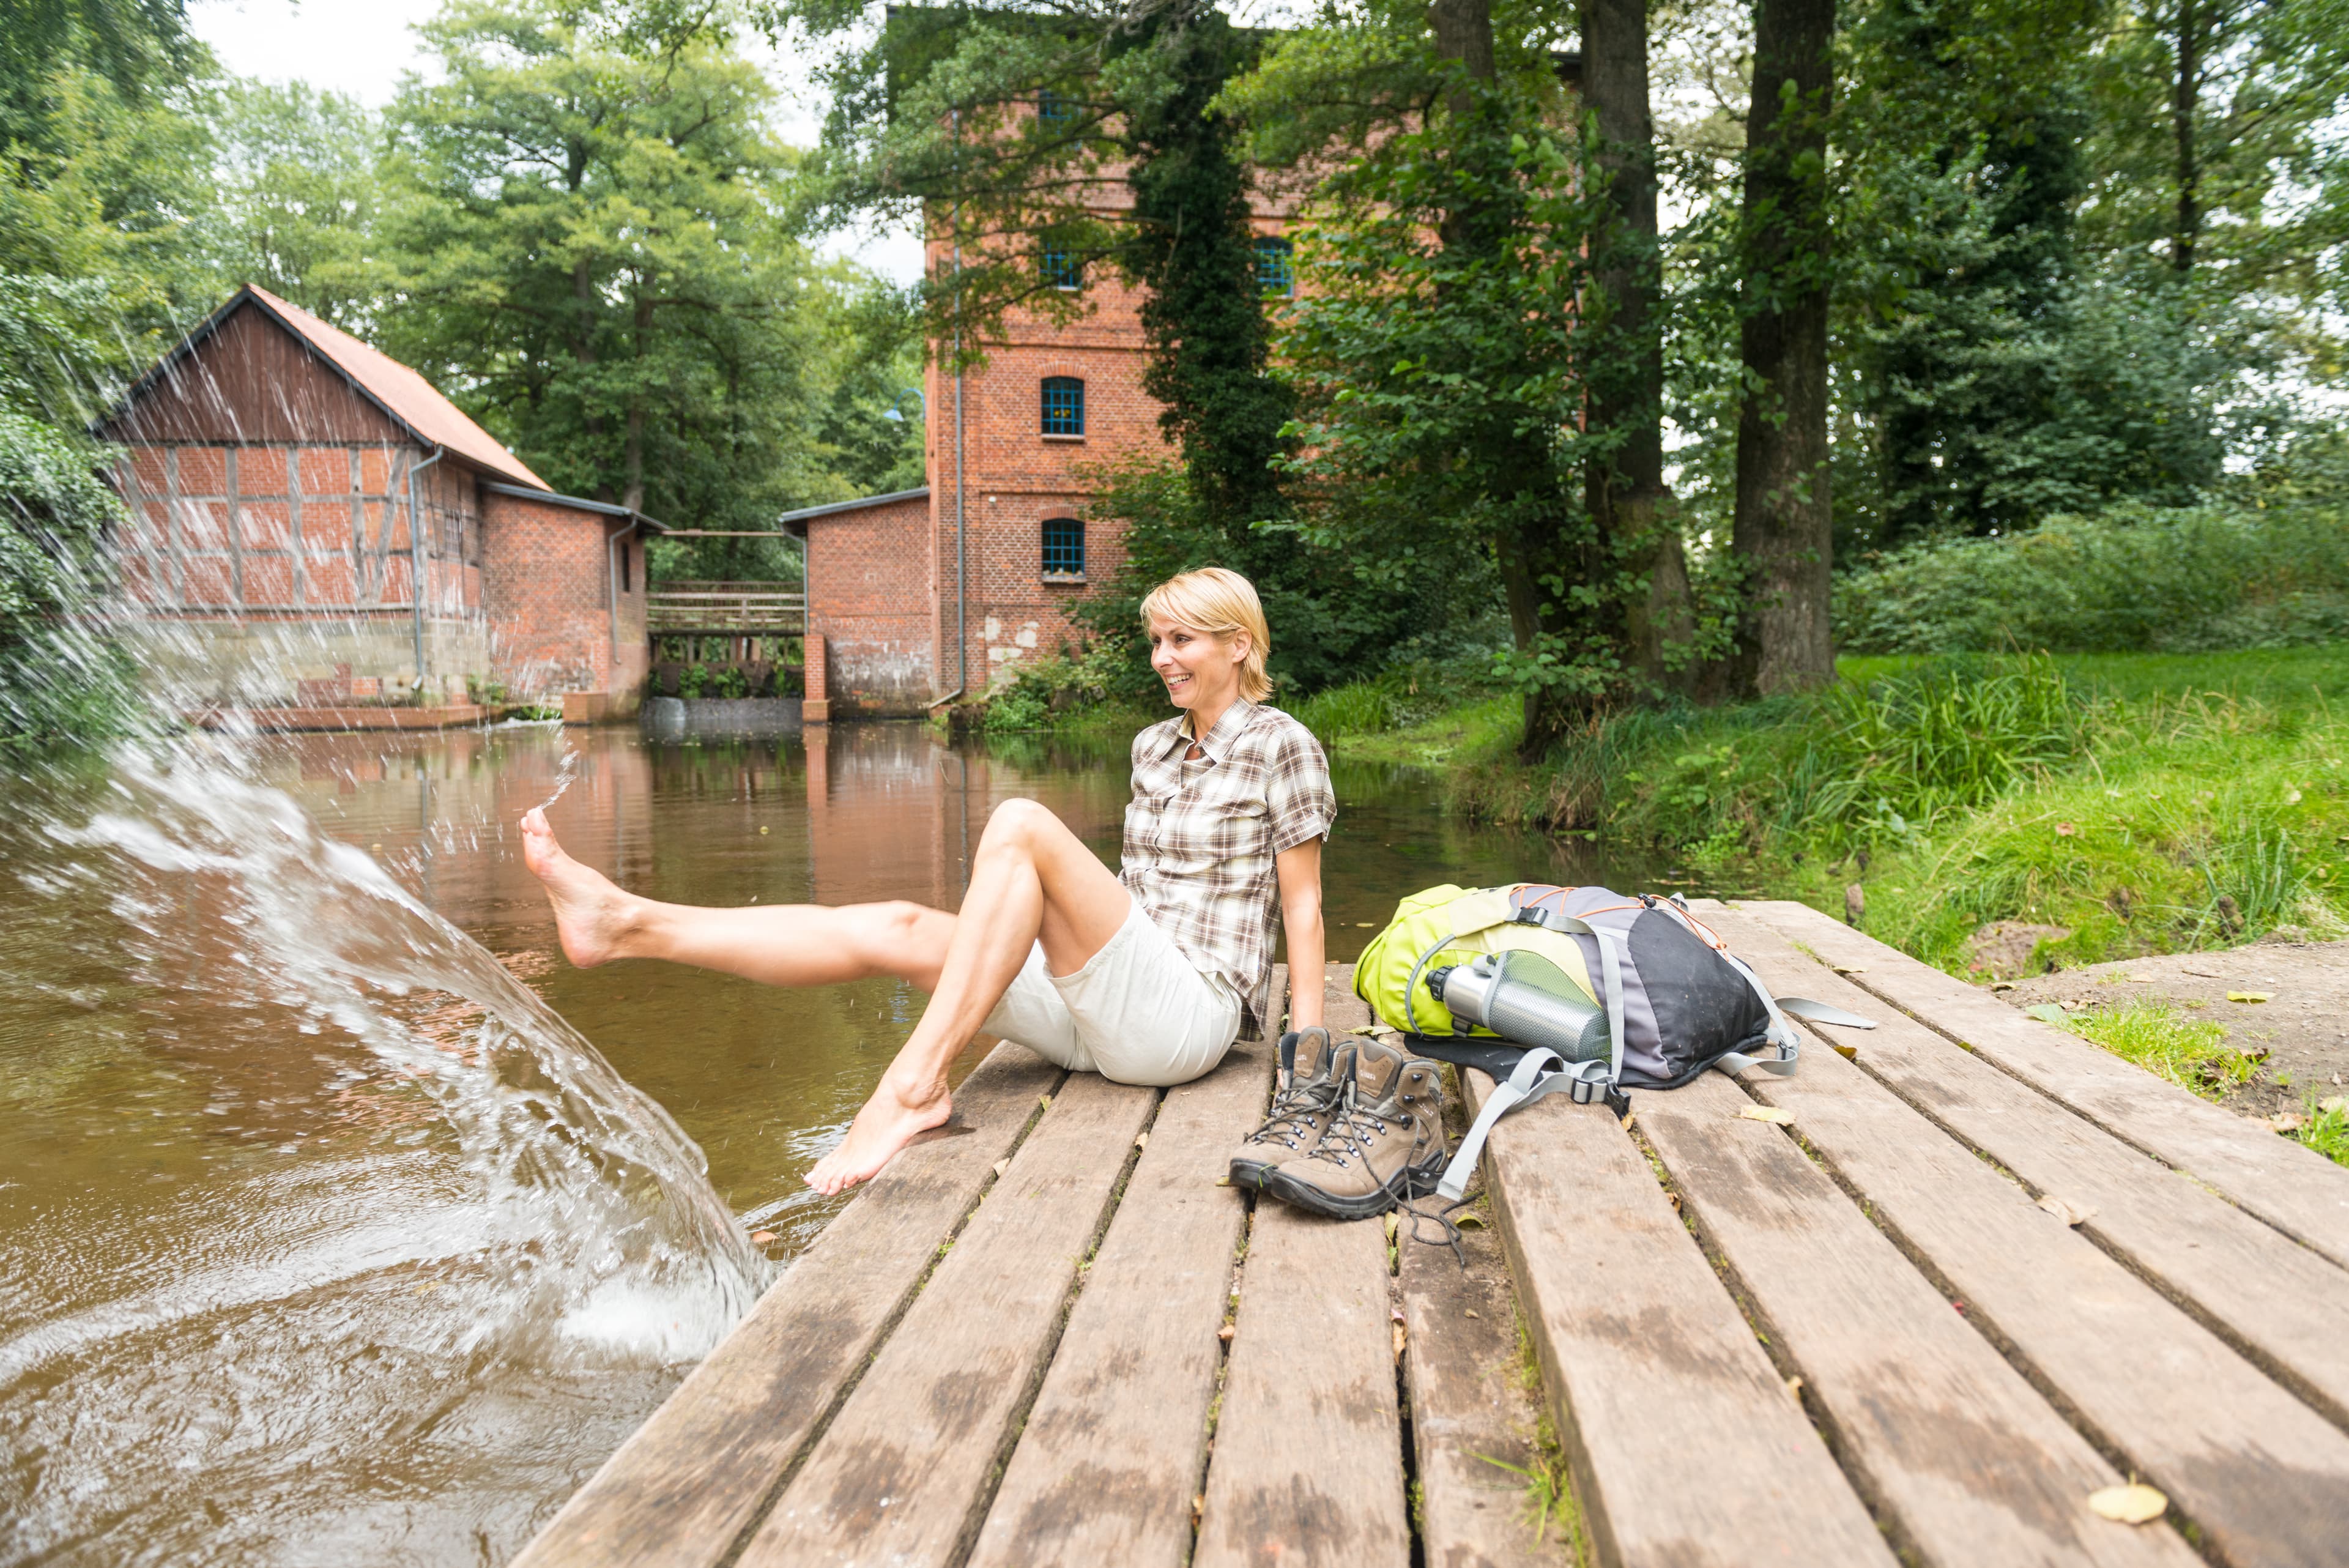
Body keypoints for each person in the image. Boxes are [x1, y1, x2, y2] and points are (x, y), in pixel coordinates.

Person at [518, 567, 1334, 1196]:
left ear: (1239, 644)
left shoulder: (1281, 744)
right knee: (901, 928)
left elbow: (1302, 907)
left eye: (1182, 640)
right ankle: (626, 924)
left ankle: (911, 1087)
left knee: (1020, 822)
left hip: (1182, 1019)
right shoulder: (1153, 747)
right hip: (1099, 1009)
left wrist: (1308, 1052)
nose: (1162, 659)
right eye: (1156, 641)